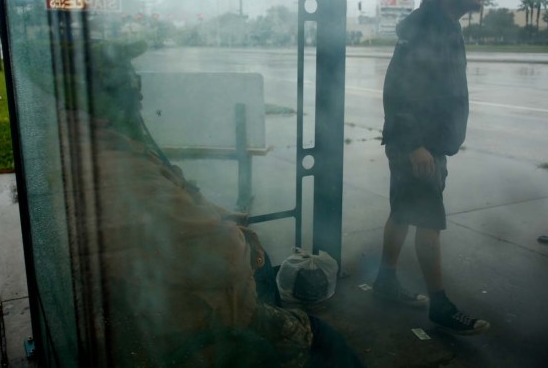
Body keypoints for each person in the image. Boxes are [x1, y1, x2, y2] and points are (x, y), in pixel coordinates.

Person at [74, 40, 364, 366]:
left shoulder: (109, 149)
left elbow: (183, 193)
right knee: (322, 336)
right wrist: (239, 236)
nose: (139, 95)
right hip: (200, 327)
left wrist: (223, 216)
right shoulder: (122, 170)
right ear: (107, 94)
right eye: (130, 84)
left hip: (182, 310)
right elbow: (223, 256)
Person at [374, 0, 490, 335]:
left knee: (404, 212)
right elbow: (398, 87)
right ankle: (440, 305)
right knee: (428, 220)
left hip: (425, 142)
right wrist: (414, 145)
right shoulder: (427, 26)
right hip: (417, 146)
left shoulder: (446, 24)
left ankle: (385, 282)